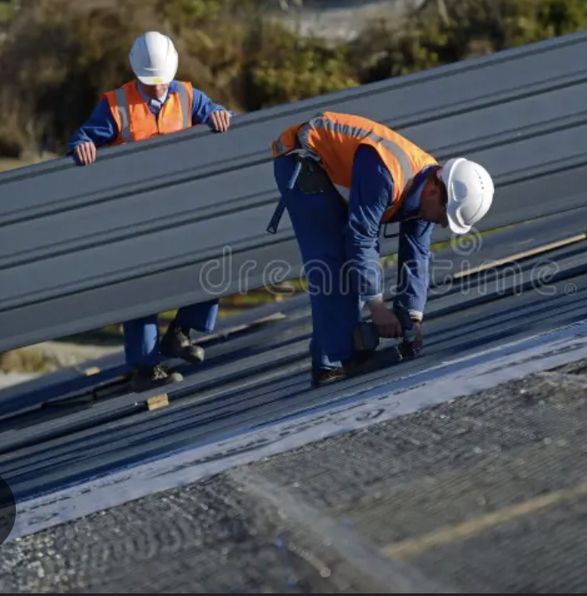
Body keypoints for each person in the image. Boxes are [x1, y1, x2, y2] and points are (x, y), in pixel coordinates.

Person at [270, 112, 494, 386]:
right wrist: (376, 306)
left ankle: (334, 354)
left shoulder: (429, 185)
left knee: (351, 264)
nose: (442, 224)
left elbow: (417, 253)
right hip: (301, 159)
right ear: (435, 192)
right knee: (332, 264)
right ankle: (335, 360)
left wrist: (412, 316)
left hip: (329, 164)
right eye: (443, 216)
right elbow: (361, 238)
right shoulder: (387, 173)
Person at [68, 31, 233, 391]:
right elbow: (82, 138)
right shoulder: (116, 106)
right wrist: (82, 145)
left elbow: (217, 114)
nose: (158, 87)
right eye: (150, 82)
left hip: (182, 207)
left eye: (163, 81)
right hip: (136, 215)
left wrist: (220, 115)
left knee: (215, 260)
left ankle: (181, 332)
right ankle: (146, 368)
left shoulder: (188, 96)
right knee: (142, 289)